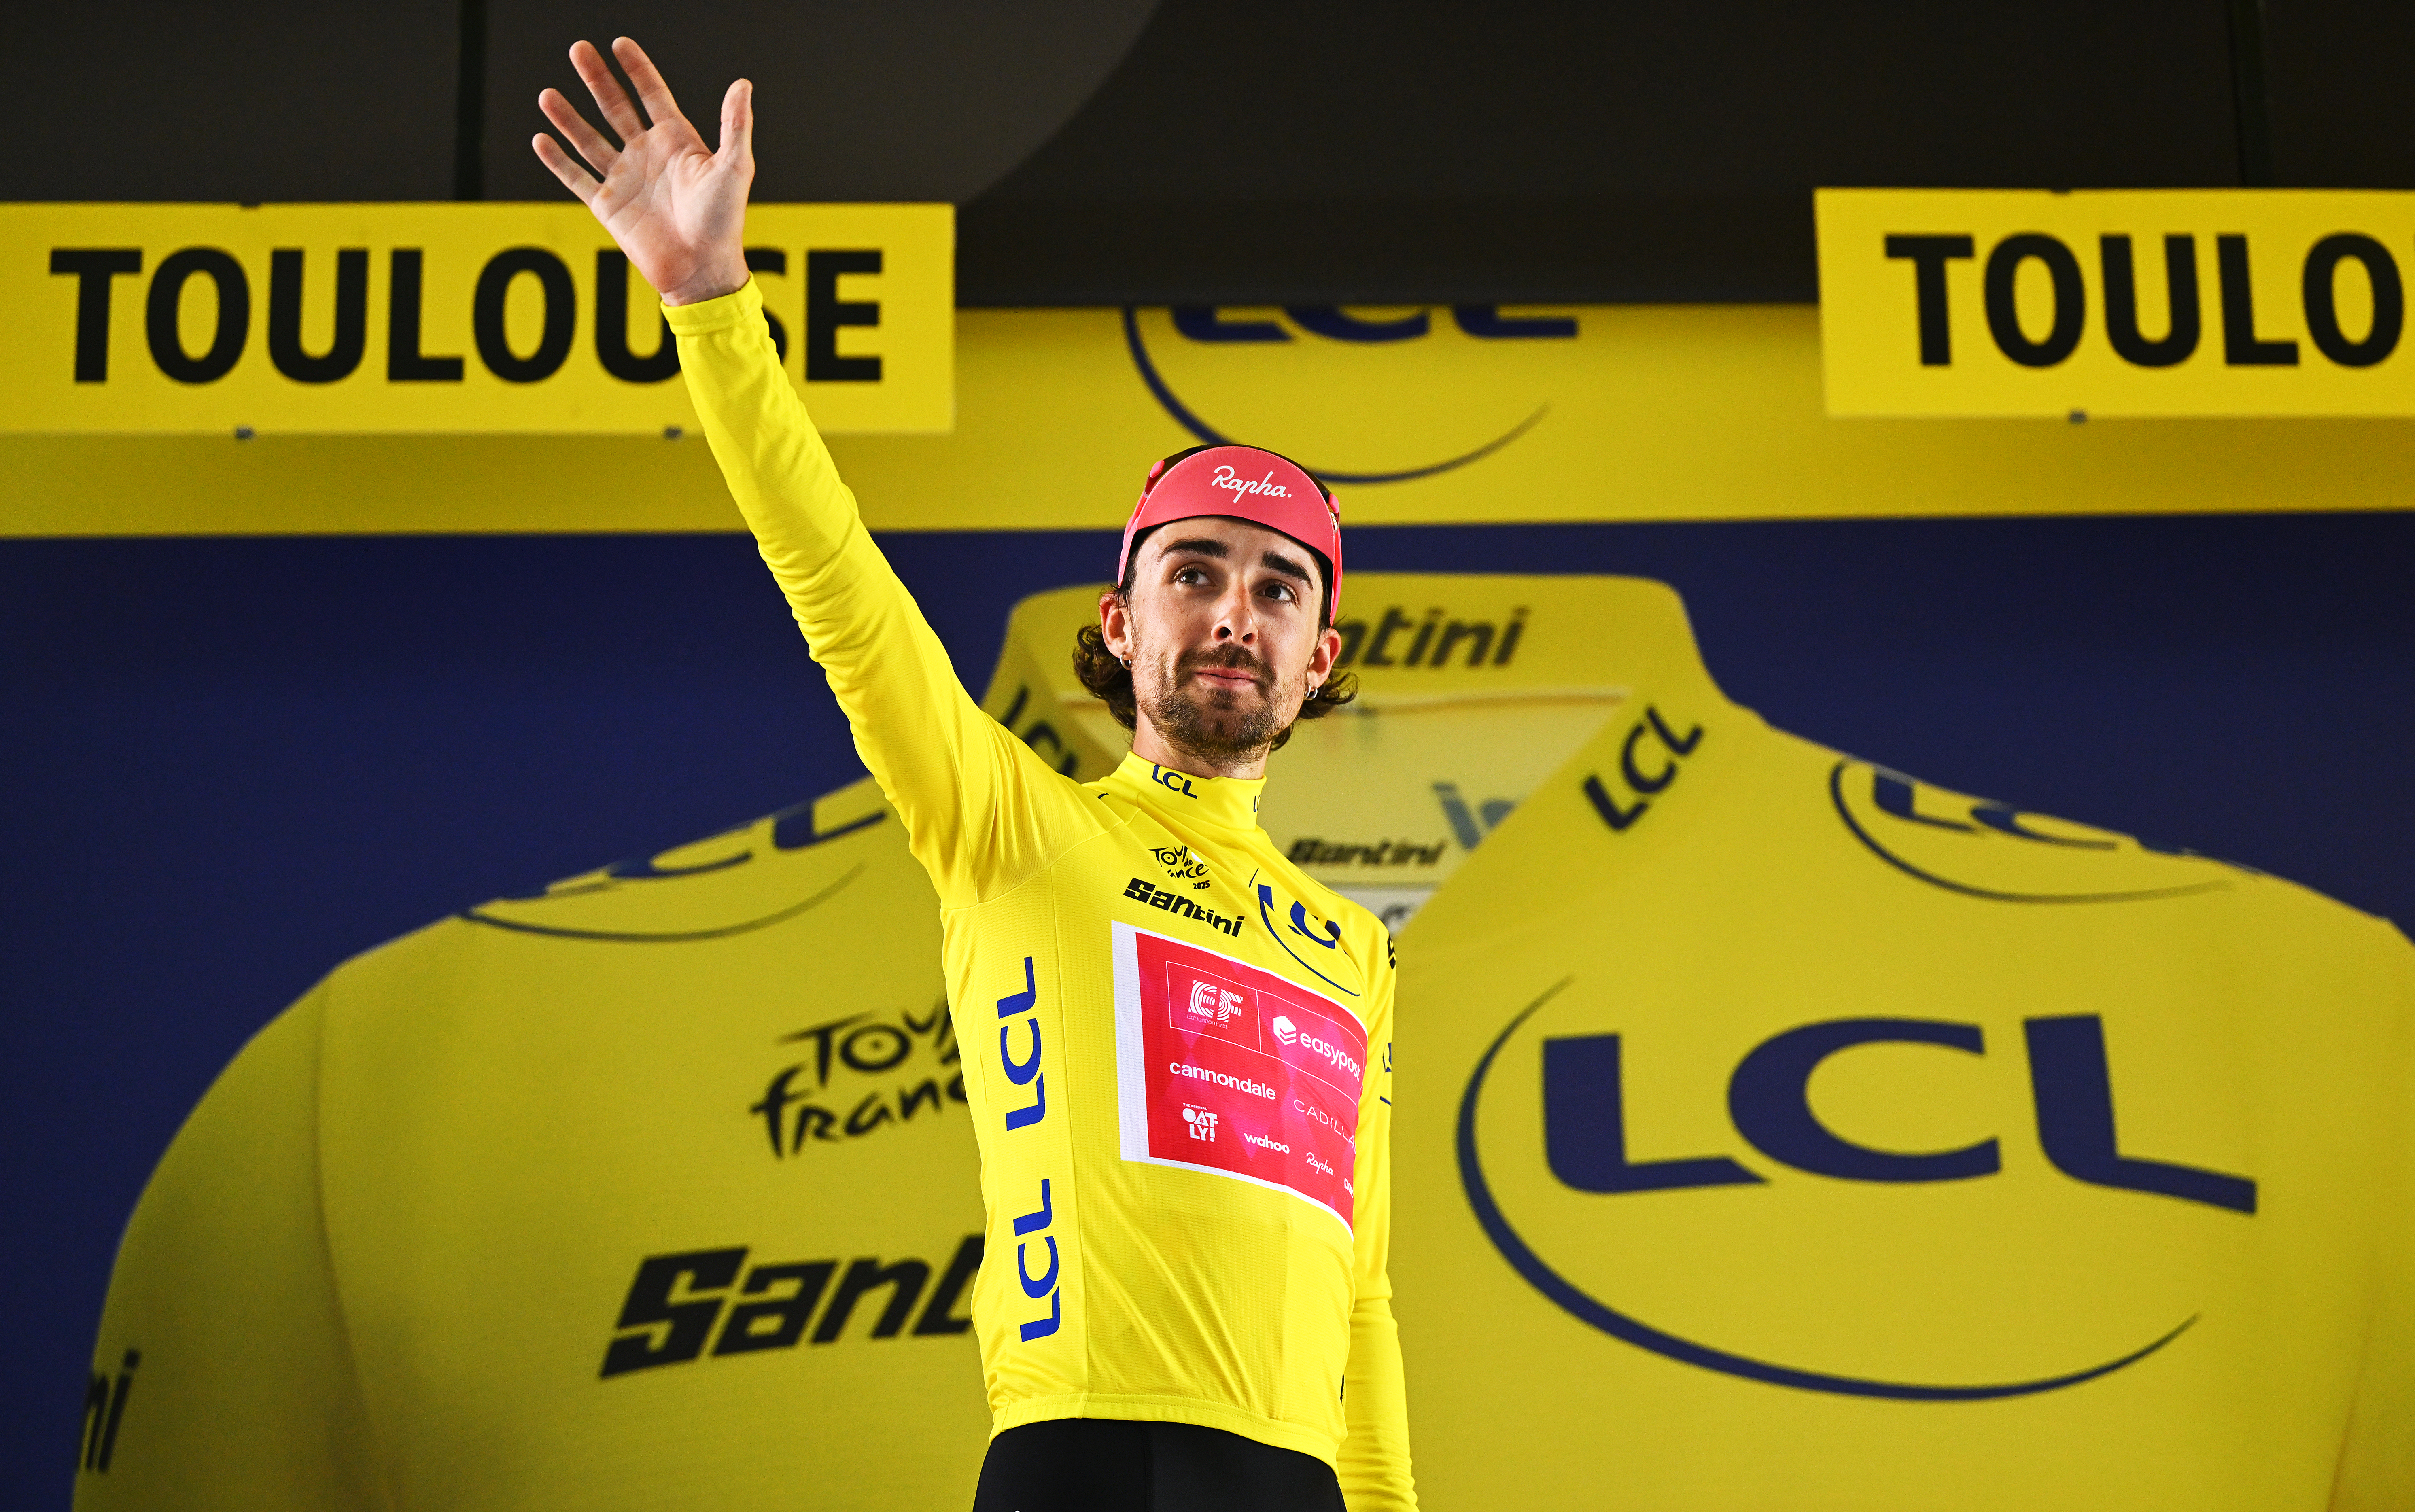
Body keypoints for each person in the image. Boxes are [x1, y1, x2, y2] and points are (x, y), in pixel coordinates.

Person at [531, 37, 1413, 1512]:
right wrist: (708, 305)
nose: (1234, 615)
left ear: (1319, 656)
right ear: (1120, 625)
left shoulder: (1355, 947)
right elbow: (835, 576)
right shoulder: (1013, 824)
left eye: (1277, 590)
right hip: (1085, 1456)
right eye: (1196, 573)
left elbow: (1367, 1296)